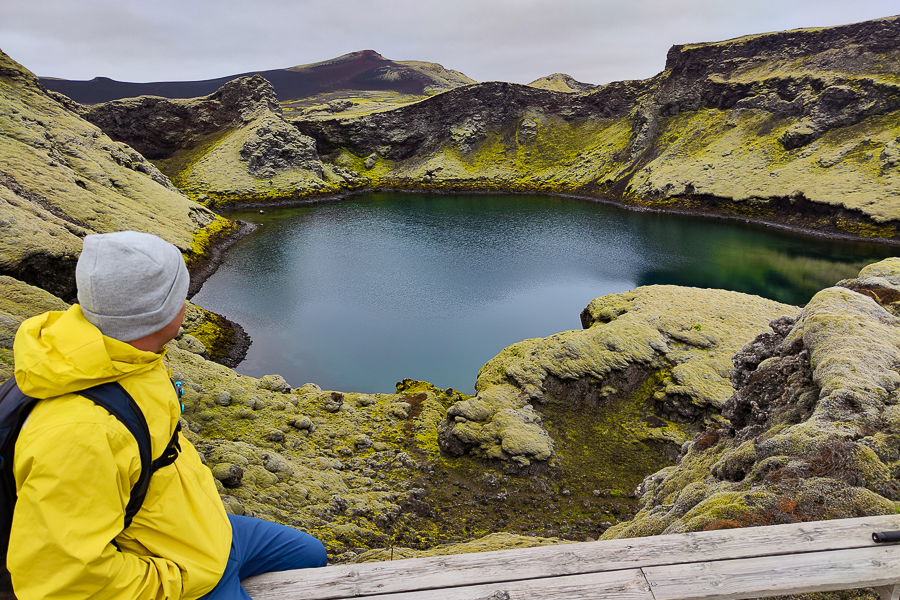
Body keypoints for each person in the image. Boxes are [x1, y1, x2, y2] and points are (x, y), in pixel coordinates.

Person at [9, 230, 326, 600]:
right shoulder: (80, 432)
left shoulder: (124, 355)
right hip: (172, 567)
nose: (187, 305)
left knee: (310, 553)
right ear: (159, 313)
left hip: (198, 532)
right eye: (180, 296)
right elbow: (61, 581)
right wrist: (180, 581)